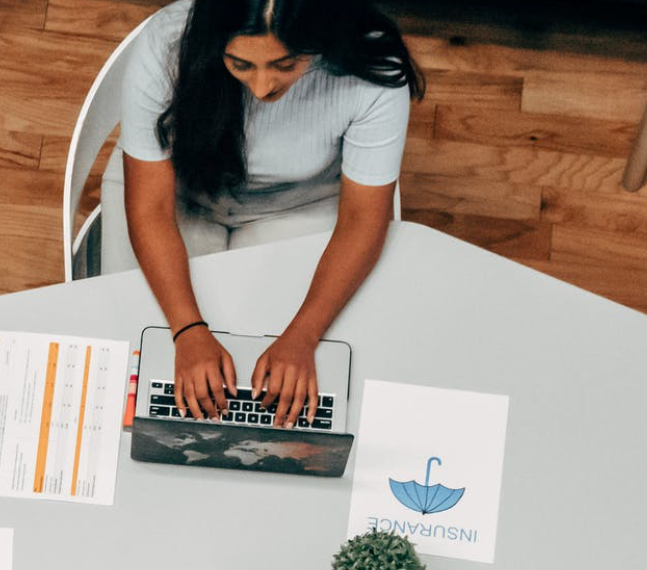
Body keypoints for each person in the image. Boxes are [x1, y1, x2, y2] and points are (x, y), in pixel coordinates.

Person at [115, 0, 422, 426]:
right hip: (182, 194)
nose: (262, 88)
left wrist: (302, 336)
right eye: (240, 64)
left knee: (320, 358)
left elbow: (362, 220)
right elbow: (150, 207)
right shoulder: (166, 45)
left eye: (286, 64)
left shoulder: (372, 68)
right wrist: (187, 330)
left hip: (299, 202)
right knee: (140, 349)